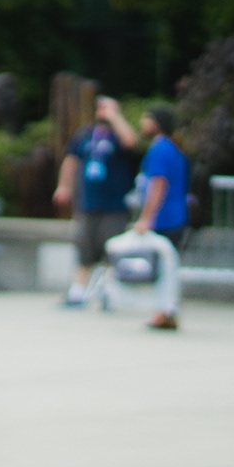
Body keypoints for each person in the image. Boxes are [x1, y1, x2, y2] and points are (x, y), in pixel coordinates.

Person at [54, 96, 137, 307]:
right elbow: (71, 160)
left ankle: (107, 293)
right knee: (84, 248)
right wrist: (64, 186)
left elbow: (131, 141)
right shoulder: (85, 134)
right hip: (87, 203)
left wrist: (115, 118)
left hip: (114, 206)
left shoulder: (118, 134)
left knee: (112, 251)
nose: (104, 111)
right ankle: (77, 292)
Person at [122, 105, 191, 331]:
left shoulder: (160, 149)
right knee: (168, 265)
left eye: (146, 118)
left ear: (156, 123)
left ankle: (166, 311)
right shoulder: (172, 147)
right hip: (175, 216)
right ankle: (166, 310)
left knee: (163, 267)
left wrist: (146, 218)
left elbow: (158, 184)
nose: (142, 123)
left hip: (166, 218)